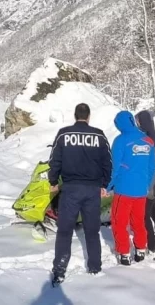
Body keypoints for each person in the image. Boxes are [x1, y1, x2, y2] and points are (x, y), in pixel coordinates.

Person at [48, 103, 112, 285]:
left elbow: (55, 160)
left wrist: (53, 181)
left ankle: (60, 269)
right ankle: (94, 266)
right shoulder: (99, 135)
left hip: (70, 189)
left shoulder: (64, 133)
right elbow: (107, 162)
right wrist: (105, 184)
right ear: (88, 117)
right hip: (92, 190)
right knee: (92, 230)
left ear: (75, 116)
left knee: (65, 230)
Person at [107, 110, 155, 266]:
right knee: (138, 221)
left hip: (123, 190)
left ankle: (124, 253)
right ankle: (141, 249)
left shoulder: (120, 140)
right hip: (141, 191)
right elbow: (151, 167)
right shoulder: (148, 141)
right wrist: (146, 185)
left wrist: (108, 186)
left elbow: (114, 167)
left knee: (119, 222)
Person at [136, 110, 155, 254]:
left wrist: (148, 186)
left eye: (138, 122)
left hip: (152, 184)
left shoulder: (150, 138)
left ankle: (152, 243)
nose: (137, 124)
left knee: (144, 215)